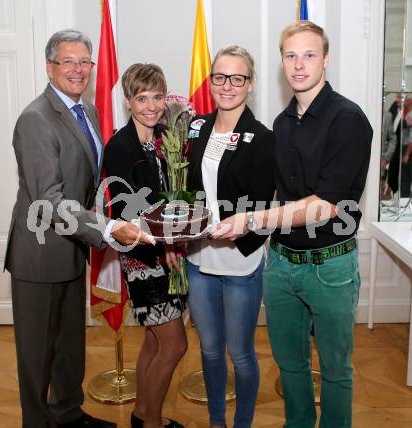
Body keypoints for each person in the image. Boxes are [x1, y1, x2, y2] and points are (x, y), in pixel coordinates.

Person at [212, 22, 372, 428]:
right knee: (290, 366)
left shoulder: (348, 120)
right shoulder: (282, 124)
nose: (299, 65)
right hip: (282, 264)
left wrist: (250, 219)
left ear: (326, 59)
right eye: (290, 56)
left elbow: (325, 207)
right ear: (281, 61)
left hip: (331, 266)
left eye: (309, 55)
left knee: (335, 370)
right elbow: (280, 195)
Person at [4, 29, 153, 428]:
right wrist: (107, 229)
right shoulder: (36, 120)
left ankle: (68, 414)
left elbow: (88, 183)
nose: (77, 69)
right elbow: (48, 200)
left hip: (73, 247)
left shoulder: (87, 111)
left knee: (70, 344)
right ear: (50, 67)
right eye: (67, 61)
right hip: (39, 254)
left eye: (84, 61)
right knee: (38, 352)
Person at [184, 46, 275, 428]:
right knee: (208, 349)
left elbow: (261, 206)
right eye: (220, 77)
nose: (227, 86)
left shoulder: (262, 137)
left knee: (240, 353)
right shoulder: (198, 128)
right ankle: (216, 421)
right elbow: (187, 188)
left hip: (240, 261)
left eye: (237, 78)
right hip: (198, 260)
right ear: (211, 81)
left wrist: (236, 226)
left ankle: (243, 423)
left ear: (250, 85)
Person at [103, 63, 187, 428]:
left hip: (169, 252)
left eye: (156, 96)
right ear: (127, 101)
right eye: (141, 98)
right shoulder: (120, 146)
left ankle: (141, 414)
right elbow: (127, 211)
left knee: (154, 341)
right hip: (144, 257)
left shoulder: (163, 138)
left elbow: (173, 193)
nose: (151, 106)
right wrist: (166, 238)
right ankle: (150, 421)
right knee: (175, 344)